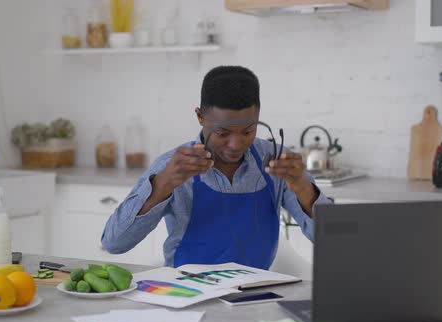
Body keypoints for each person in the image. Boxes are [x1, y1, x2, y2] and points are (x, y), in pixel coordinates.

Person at [101, 65, 332, 270]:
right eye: (222, 133)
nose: (235, 144)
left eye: (248, 132)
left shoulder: (275, 161)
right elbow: (114, 244)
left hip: (256, 295)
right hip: (186, 292)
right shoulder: (172, 165)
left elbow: (334, 241)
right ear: (200, 117)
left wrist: (302, 187)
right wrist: (162, 184)